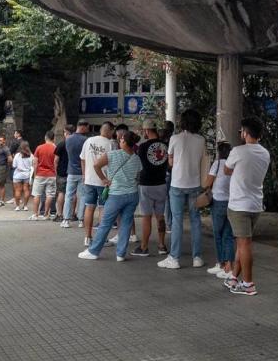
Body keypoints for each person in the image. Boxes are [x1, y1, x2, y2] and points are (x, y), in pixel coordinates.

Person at [222, 118, 270, 296]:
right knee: (243, 244)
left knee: (244, 244)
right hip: (255, 204)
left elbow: (226, 170)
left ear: (245, 133)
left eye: (241, 131)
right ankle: (234, 277)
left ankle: (249, 284)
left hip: (239, 205)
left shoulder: (238, 151)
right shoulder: (265, 153)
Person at [78, 131, 142, 262]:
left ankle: (94, 251)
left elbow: (96, 165)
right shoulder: (136, 158)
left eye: (121, 138)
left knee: (105, 224)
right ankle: (120, 254)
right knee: (126, 224)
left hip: (116, 195)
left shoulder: (113, 154)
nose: (119, 140)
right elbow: (138, 177)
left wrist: (104, 179)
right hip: (132, 195)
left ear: (124, 141)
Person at [159, 110, 206, 270]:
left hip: (177, 184)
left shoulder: (174, 138)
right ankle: (197, 257)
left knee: (177, 221)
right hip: (195, 185)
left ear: (183, 122)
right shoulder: (201, 140)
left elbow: (170, 162)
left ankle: (174, 258)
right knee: (195, 220)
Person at [131, 119, 169, 257]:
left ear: (146, 130)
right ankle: (161, 245)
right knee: (160, 216)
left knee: (146, 217)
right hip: (161, 184)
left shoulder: (142, 147)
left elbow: (140, 165)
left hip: (146, 184)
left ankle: (144, 247)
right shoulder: (165, 145)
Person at [80, 122, 117, 247]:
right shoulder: (110, 144)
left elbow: (83, 159)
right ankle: (102, 239)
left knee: (89, 208)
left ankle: (87, 238)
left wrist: (85, 174)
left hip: (89, 180)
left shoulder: (88, 141)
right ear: (110, 131)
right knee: (103, 209)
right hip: (104, 181)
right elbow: (113, 164)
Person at [205, 141, 235, 278]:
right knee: (228, 235)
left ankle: (221, 264)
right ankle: (229, 267)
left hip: (218, 203)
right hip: (232, 203)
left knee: (218, 234)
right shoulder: (234, 165)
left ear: (219, 152)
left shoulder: (217, 164)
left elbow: (207, 183)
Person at [61, 121, 90, 228]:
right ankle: (81, 220)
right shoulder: (86, 140)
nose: (88, 129)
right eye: (87, 127)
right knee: (82, 196)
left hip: (71, 172)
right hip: (83, 173)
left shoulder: (68, 139)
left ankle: (66, 219)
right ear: (82, 127)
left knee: (69, 196)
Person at [31, 132, 58, 219]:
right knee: (49, 195)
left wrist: (35, 174)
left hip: (40, 174)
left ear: (45, 138)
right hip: (51, 174)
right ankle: (46, 214)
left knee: (37, 194)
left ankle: (35, 214)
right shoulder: (55, 148)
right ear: (53, 138)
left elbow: (35, 162)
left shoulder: (39, 148)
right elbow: (56, 162)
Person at [53, 125, 74, 221]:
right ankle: (72, 214)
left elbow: (56, 160)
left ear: (66, 132)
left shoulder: (62, 144)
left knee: (61, 192)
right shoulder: (76, 144)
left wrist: (56, 171)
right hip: (73, 172)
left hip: (62, 172)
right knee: (72, 194)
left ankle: (60, 214)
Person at [11, 140, 35, 211]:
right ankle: (25, 206)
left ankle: (17, 206)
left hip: (18, 174)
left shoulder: (17, 155)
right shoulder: (31, 155)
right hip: (27, 175)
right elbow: (33, 165)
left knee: (17, 190)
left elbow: (14, 165)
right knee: (26, 190)